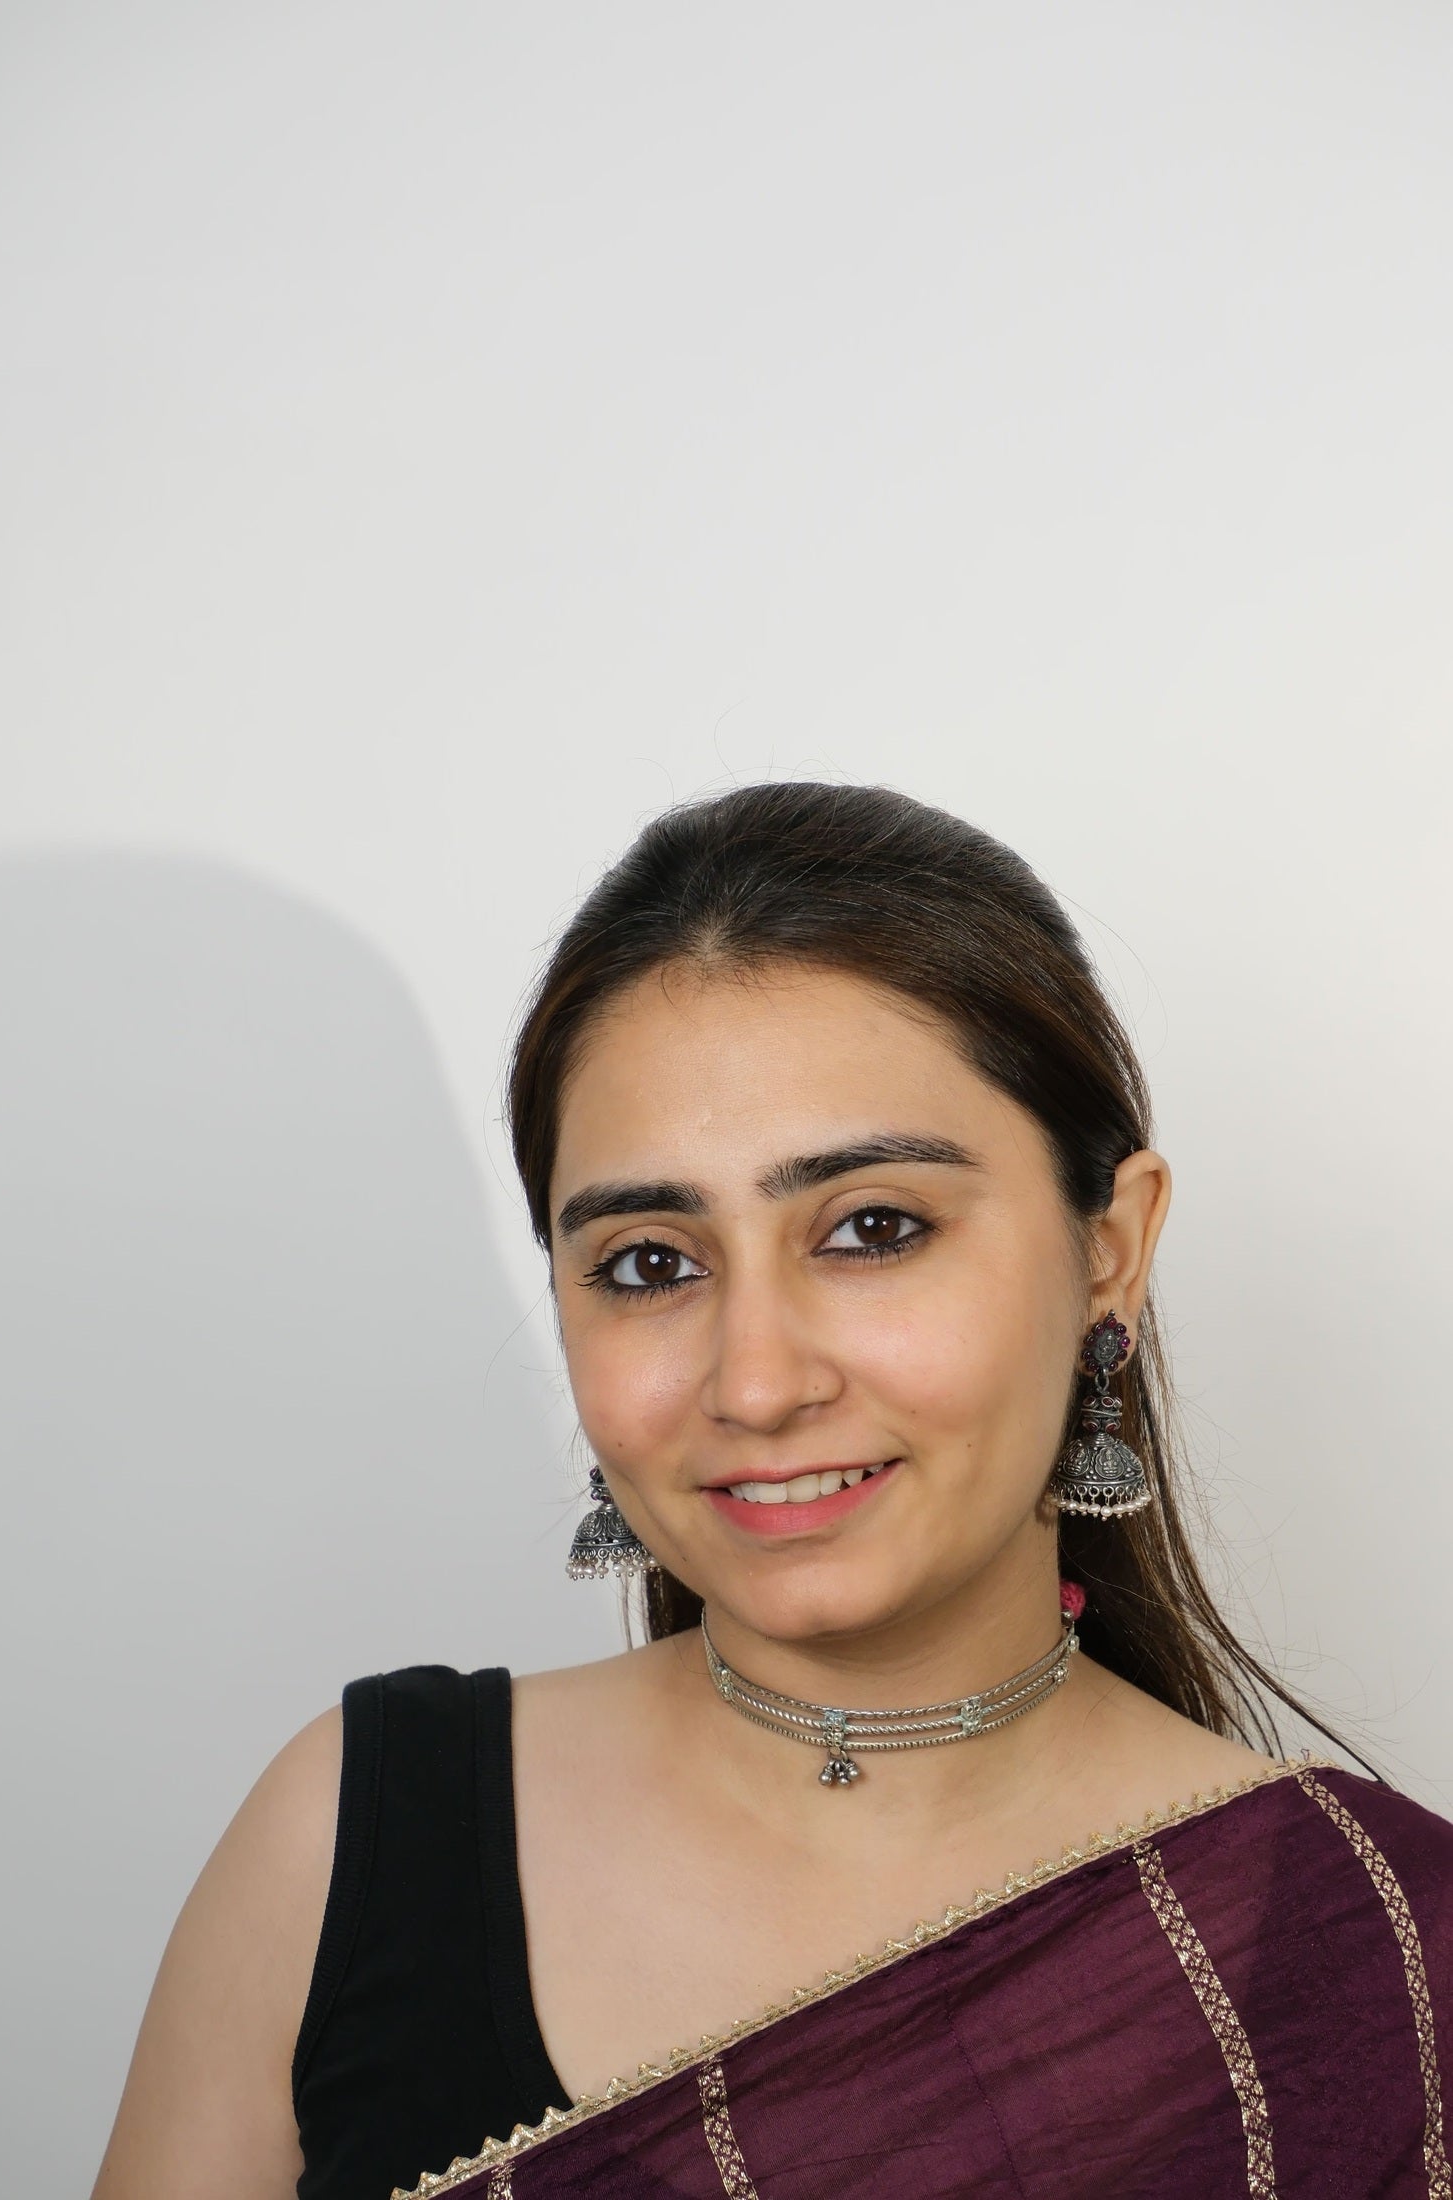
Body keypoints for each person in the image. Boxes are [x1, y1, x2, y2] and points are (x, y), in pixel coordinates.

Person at [92, 782, 1452, 2200]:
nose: (753, 1383)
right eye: (650, 1263)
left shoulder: (1388, 1956)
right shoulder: (356, 1842)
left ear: (1109, 1248)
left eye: (872, 1229)